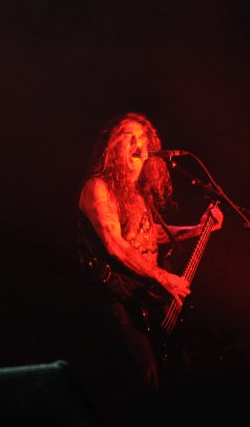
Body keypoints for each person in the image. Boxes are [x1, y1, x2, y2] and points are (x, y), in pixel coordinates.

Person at [78, 113, 222, 388]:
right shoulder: (98, 187)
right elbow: (115, 244)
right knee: (145, 375)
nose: (138, 143)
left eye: (143, 138)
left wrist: (198, 229)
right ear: (112, 146)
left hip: (145, 295)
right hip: (117, 296)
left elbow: (148, 233)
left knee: (178, 370)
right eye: (128, 136)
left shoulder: (137, 192)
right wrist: (164, 277)